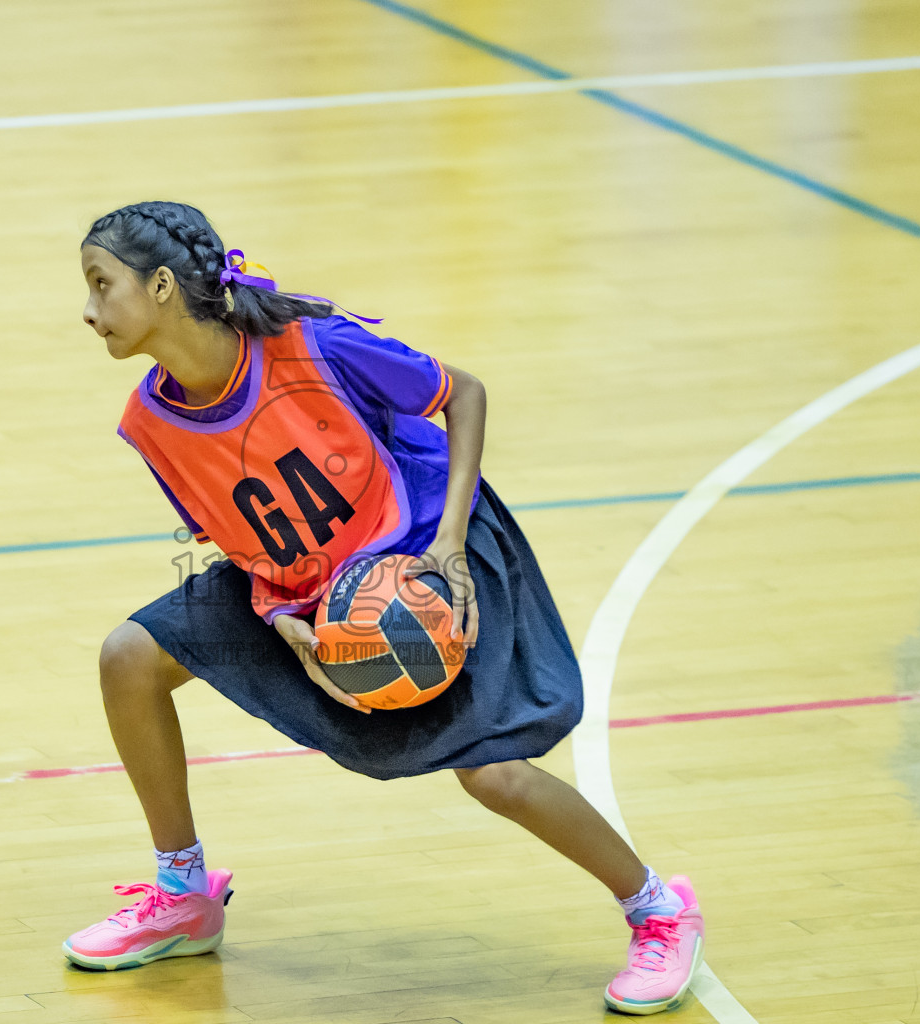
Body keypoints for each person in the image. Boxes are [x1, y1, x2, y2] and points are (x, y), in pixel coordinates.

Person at [62, 201, 704, 1015]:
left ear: (160, 286)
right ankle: (184, 892)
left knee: (496, 774)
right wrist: (275, 612)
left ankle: (658, 909)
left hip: (431, 541)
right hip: (307, 579)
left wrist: (447, 546)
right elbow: (235, 533)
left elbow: (461, 393)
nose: (88, 311)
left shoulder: (315, 346)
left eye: (100, 284)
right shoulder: (151, 421)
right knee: (130, 658)